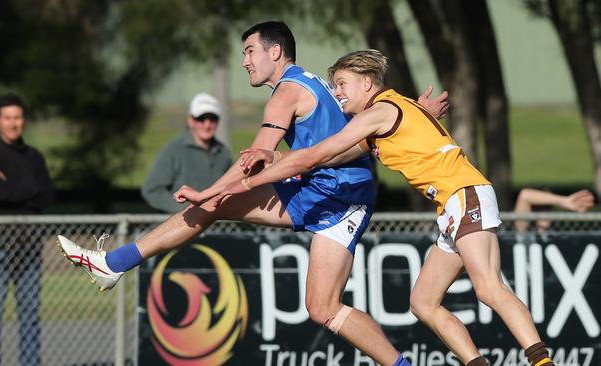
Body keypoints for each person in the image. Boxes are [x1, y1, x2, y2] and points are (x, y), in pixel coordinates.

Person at [57, 22, 446, 366]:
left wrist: (210, 191)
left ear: (275, 52)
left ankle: (112, 264)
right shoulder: (315, 83)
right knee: (321, 308)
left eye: (250, 51)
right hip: (325, 190)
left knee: (220, 212)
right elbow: (353, 123)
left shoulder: (287, 92)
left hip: (338, 199)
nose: (245, 60)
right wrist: (416, 111)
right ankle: (113, 264)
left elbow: (249, 163)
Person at [215, 49, 557, 366]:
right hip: (452, 204)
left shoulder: (378, 112)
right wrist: (274, 156)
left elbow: (318, 153)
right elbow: (325, 158)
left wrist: (246, 183)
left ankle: (541, 361)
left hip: (464, 193)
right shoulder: (388, 112)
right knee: (423, 302)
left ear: (367, 83)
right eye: (335, 86)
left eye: (342, 84)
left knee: (488, 287)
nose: (337, 93)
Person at [0, 93, 54, 366]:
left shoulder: (34, 157)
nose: (13, 123)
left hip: (29, 248)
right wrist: (26, 190)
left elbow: (46, 195)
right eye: (7, 117)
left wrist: (14, 189)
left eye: (17, 117)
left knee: (30, 316)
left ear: (24, 121)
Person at [141, 92, 233, 213]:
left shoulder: (223, 152)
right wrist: (185, 210)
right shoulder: (174, 150)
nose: (207, 124)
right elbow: (152, 190)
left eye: (212, 119)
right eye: (201, 119)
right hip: (182, 226)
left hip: (217, 225)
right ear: (190, 120)